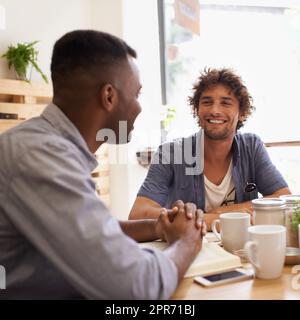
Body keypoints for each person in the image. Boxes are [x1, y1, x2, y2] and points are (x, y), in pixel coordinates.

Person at [0, 30, 206, 299]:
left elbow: (87, 231)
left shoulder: (48, 147)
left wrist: (156, 227)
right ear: (109, 96)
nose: (140, 108)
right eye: (137, 94)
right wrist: (188, 241)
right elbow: (137, 287)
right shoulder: (39, 157)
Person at [129, 68, 291, 229]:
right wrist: (215, 220)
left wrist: (223, 211)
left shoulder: (252, 147)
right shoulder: (171, 153)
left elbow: (284, 198)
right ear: (197, 110)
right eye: (207, 102)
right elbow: (138, 214)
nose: (214, 110)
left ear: (241, 112)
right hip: (188, 250)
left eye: (226, 103)